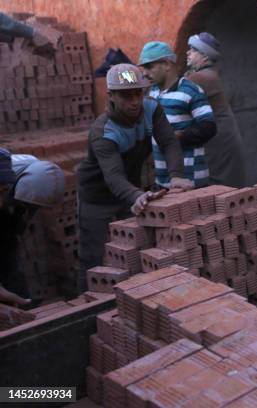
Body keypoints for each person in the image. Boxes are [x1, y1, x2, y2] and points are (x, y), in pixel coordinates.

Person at [76, 63, 191, 292]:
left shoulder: (151, 109)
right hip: (97, 198)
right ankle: (88, 307)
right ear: (111, 96)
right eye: (126, 95)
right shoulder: (104, 132)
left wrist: (176, 175)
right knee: (95, 258)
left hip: (129, 192)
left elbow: (168, 141)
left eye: (138, 93)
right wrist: (136, 195)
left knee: (134, 251)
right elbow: (113, 176)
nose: (135, 101)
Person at [139, 41, 216, 188]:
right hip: (163, 180)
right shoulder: (152, 92)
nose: (144, 73)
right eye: (143, 69)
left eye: (149, 67)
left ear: (167, 64)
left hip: (192, 179)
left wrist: (177, 137)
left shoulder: (190, 90)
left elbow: (209, 127)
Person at [0, 149, 65, 303]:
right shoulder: (9, 174)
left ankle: (21, 303)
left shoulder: (37, 175)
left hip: (12, 204)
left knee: (10, 262)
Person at [185, 32, 246, 188]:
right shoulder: (210, 75)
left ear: (205, 56)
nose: (188, 52)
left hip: (218, 141)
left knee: (218, 190)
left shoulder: (200, 78)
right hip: (225, 137)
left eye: (193, 49)